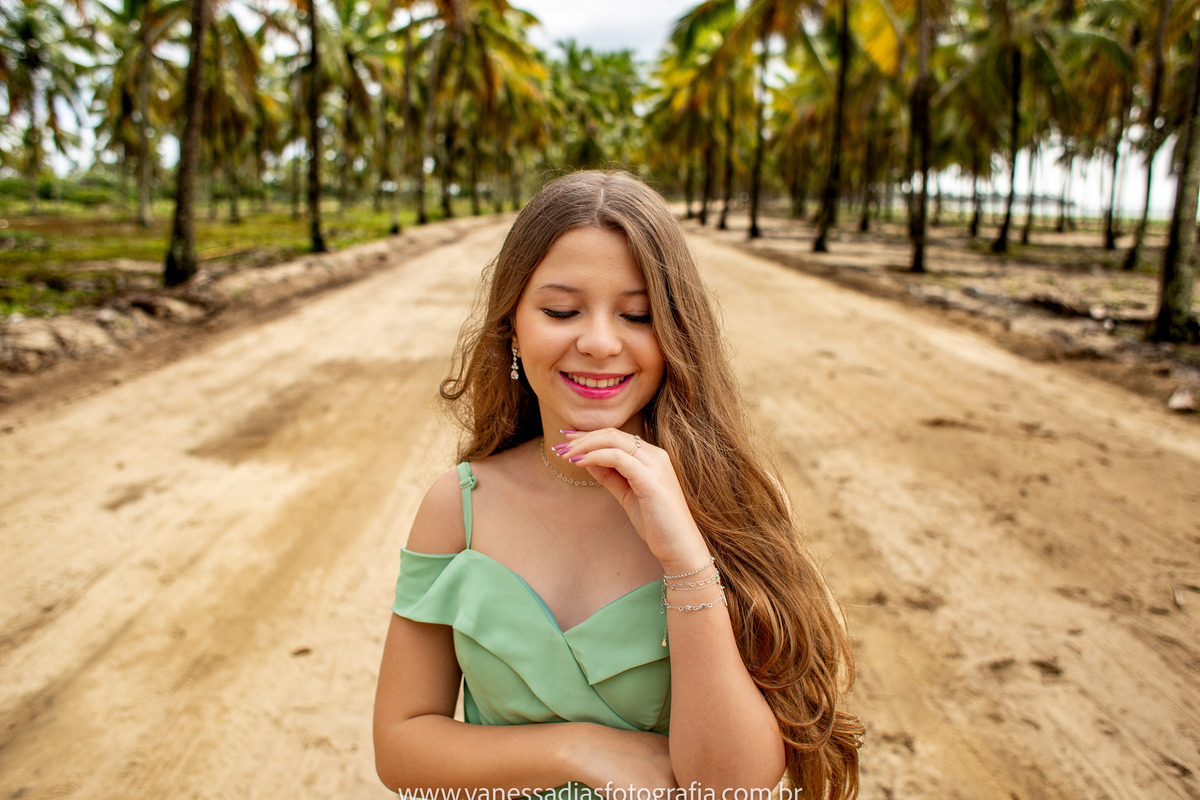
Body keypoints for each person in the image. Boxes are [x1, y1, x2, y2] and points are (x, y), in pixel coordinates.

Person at [373, 170, 862, 798]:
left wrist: (686, 560)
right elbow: (401, 747)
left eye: (637, 315)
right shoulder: (458, 506)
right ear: (512, 327)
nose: (600, 342)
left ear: (676, 336)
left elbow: (730, 785)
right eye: (560, 310)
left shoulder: (729, 499)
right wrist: (580, 749)